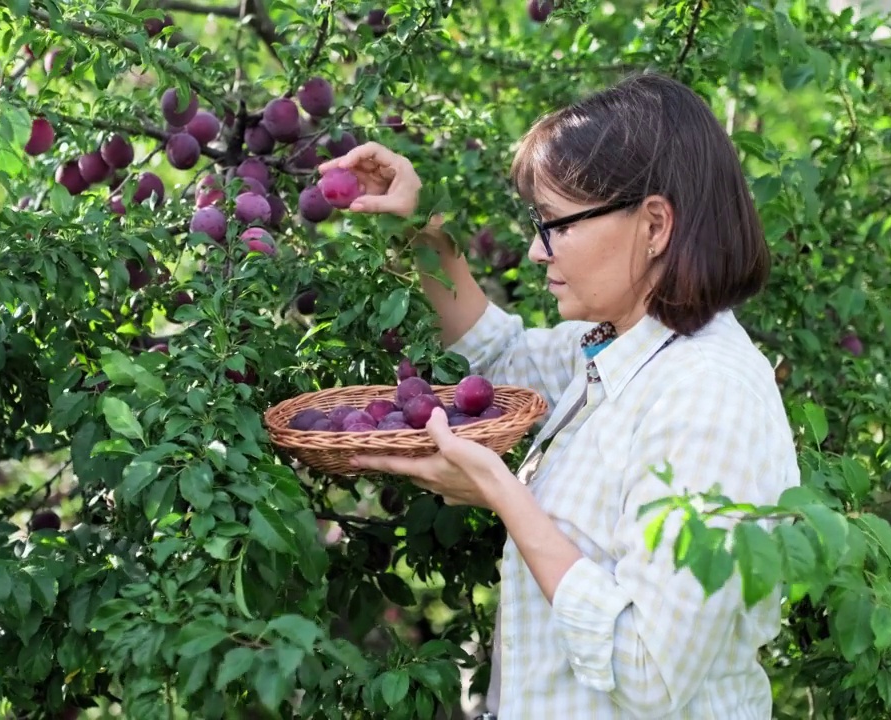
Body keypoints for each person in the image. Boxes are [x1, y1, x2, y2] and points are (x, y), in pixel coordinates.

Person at [319, 72, 799, 719]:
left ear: (654, 224)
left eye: (554, 224)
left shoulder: (706, 398)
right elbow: (498, 362)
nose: (534, 251)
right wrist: (421, 228)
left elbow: (650, 675)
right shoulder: (613, 350)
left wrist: (503, 494)